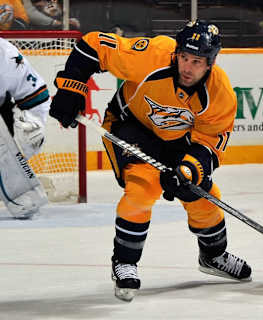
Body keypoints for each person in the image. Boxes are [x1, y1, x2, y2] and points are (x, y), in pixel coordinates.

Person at [48, 20, 252, 302]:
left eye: (196, 61)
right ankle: (124, 261)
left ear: (210, 63)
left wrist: (187, 170)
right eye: (183, 57)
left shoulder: (220, 93)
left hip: (179, 139)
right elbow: (94, 44)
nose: (187, 67)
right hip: (131, 125)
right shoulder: (153, 55)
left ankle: (213, 256)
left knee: (202, 193)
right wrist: (72, 88)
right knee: (143, 187)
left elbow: (210, 142)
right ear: (176, 53)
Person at [0, 36, 49, 218]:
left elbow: (35, 97)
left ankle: (17, 187)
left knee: (12, 134)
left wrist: (34, 125)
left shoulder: (6, 55)